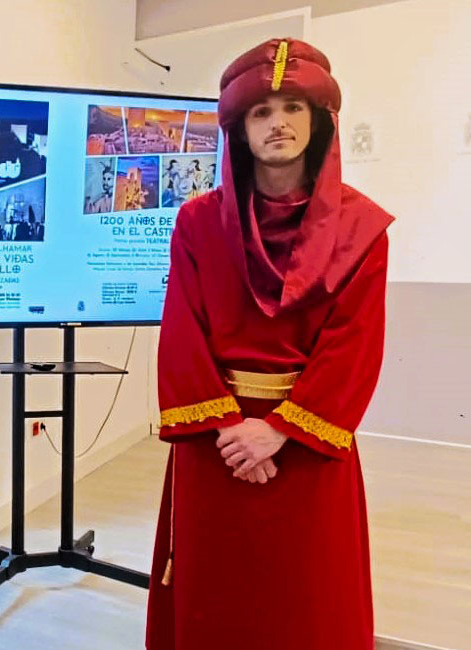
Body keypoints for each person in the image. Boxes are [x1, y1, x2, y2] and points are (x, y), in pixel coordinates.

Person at [147, 39, 393, 650]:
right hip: (216, 442)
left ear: (319, 121)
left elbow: (354, 345)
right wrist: (232, 428)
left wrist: (279, 429)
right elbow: (183, 329)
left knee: (305, 593)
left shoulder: (363, 230)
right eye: (261, 111)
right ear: (240, 128)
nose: (278, 123)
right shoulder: (198, 223)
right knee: (217, 590)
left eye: (292, 108)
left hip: (307, 446)